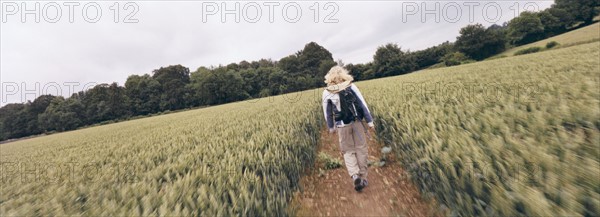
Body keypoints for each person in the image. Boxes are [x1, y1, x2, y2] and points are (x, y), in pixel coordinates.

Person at [321, 66, 374, 191]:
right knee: (361, 148)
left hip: (342, 125)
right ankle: (364, 177)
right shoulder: (351, 86)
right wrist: (370, 121)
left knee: (348, 151)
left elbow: (327, 112)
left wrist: (331, 127)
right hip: (357, 122)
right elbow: (362, 103)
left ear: (329, 77)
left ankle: (355, 175)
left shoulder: (327, 91)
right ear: (344, 75)